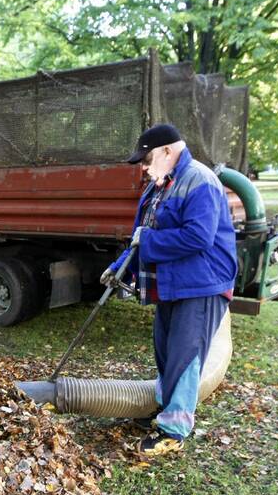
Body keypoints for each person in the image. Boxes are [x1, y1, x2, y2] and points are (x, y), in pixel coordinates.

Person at [101, 124, 237, 457]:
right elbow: (140, 237)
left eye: (146, 160)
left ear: (166, 151)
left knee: (185, 356)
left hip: (202, 284)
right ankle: (163, 412)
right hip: (173, 284)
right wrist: (121, 267)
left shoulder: (199, 181)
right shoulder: (161, 186)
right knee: (165, 351)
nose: (144, 168)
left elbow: (197, 238)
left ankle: (173, 430)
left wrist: (145, 243)